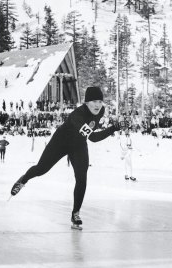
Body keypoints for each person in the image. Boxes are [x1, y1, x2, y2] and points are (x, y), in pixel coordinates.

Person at [10, 86, 119, 228]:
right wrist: (113, 128)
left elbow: (91, 133)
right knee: (41, 169)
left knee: (82, 178)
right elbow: (93, 137)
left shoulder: (101, 111)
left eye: (100, 101)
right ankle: (23, 180)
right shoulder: (77, 116)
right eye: (94, 101)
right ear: (86, 102)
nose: (98, 105)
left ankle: (75, 213)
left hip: (78, 145)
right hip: (61, 142)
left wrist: (115, 127)